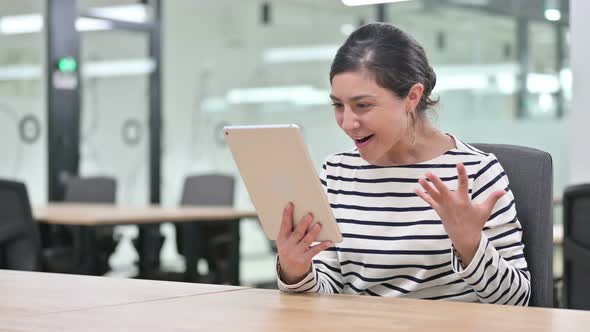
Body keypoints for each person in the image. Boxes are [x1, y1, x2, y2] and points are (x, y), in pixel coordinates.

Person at [275, 23, 530, 305]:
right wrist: (296, 272)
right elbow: (327, 294)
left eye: (363, 105)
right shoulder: (337, 172)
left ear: (412, 97)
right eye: (338, 105)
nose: (347, 123)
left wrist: (470, 245)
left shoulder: (475, 172)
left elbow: (516, 302)